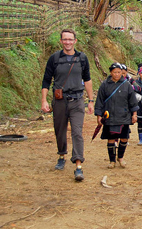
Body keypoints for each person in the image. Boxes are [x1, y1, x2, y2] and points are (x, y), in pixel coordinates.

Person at [41, 28, 94, 182]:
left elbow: (88, 80)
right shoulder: (54, 58)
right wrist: (44, 100)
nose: (68, 42)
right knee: (60, 130)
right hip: (59, 101)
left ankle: (78, 166)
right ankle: (62, 155)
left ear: (75, 41)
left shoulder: (82, 58)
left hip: (77, 100)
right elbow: (46, 80)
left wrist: (90, 100)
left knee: (77, 132)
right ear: (61, 41)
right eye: (65, 39)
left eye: (70, 39)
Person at [94, 63, 139, 169]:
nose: (117, 74)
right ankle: (112, 160)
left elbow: (132, 101)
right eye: (115, 72)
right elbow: (99, 101)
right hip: (109, 116)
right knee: (111, 139)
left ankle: (121, 157)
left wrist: (134, 114)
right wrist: (99, 115)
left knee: (124, 138)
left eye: (119, 72)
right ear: (111, 72)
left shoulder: (126, 84)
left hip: (124, 116)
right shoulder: (105, 84)